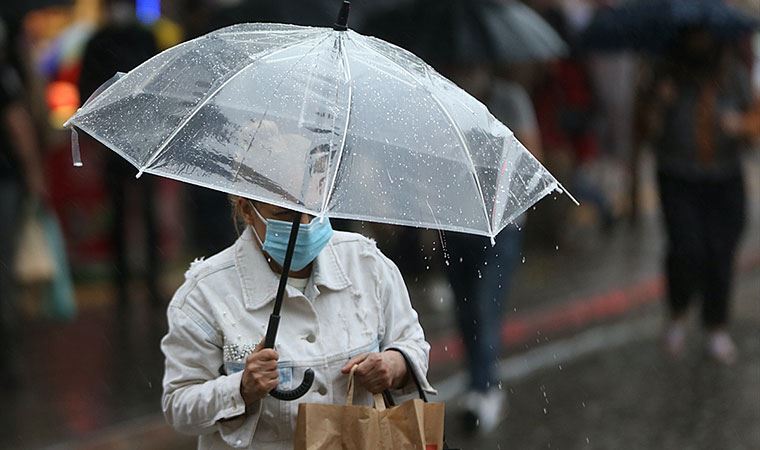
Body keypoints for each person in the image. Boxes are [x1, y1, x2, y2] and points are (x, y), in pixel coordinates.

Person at [160, 198, 435, 449]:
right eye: (285, 214)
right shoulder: (205, 293)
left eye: (313, 211)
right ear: (247, 210)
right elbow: (179, 405)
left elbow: (411, 342)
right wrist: (240, 389)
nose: (304, 225)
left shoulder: (366, 262)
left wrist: (394, 364)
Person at [638, 26, 754, 365]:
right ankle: (677, 314)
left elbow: (754, 118)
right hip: (679, 176)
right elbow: (646, 130)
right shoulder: (665, 74)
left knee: (720, 252)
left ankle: (716, 325)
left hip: (724, 177)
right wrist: (659, 102)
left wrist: (740, 126)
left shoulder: (732, 74)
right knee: (686, 249)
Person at [442, 64, 540, 434]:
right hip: (456, 222)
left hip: (502, 223)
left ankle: (484, 389)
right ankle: (479, 381)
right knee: (465, 307)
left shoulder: (510, 101)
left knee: (486, 304)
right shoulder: (447, 102)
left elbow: (532, 155)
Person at [78, 0, 160, 307]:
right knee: (119, 212)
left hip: (145, 137)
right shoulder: (97, 42)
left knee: (147, 214)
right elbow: (87, 90)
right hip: (112, 139)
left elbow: (159, 82)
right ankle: (121, 285)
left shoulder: (144, 38)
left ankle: (150, 282)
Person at [0, 21, 46, 389]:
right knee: (4, 273)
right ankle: (8, 365)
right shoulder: (5, 74)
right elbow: (18, 122)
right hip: (5, 183)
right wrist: (34, 175)